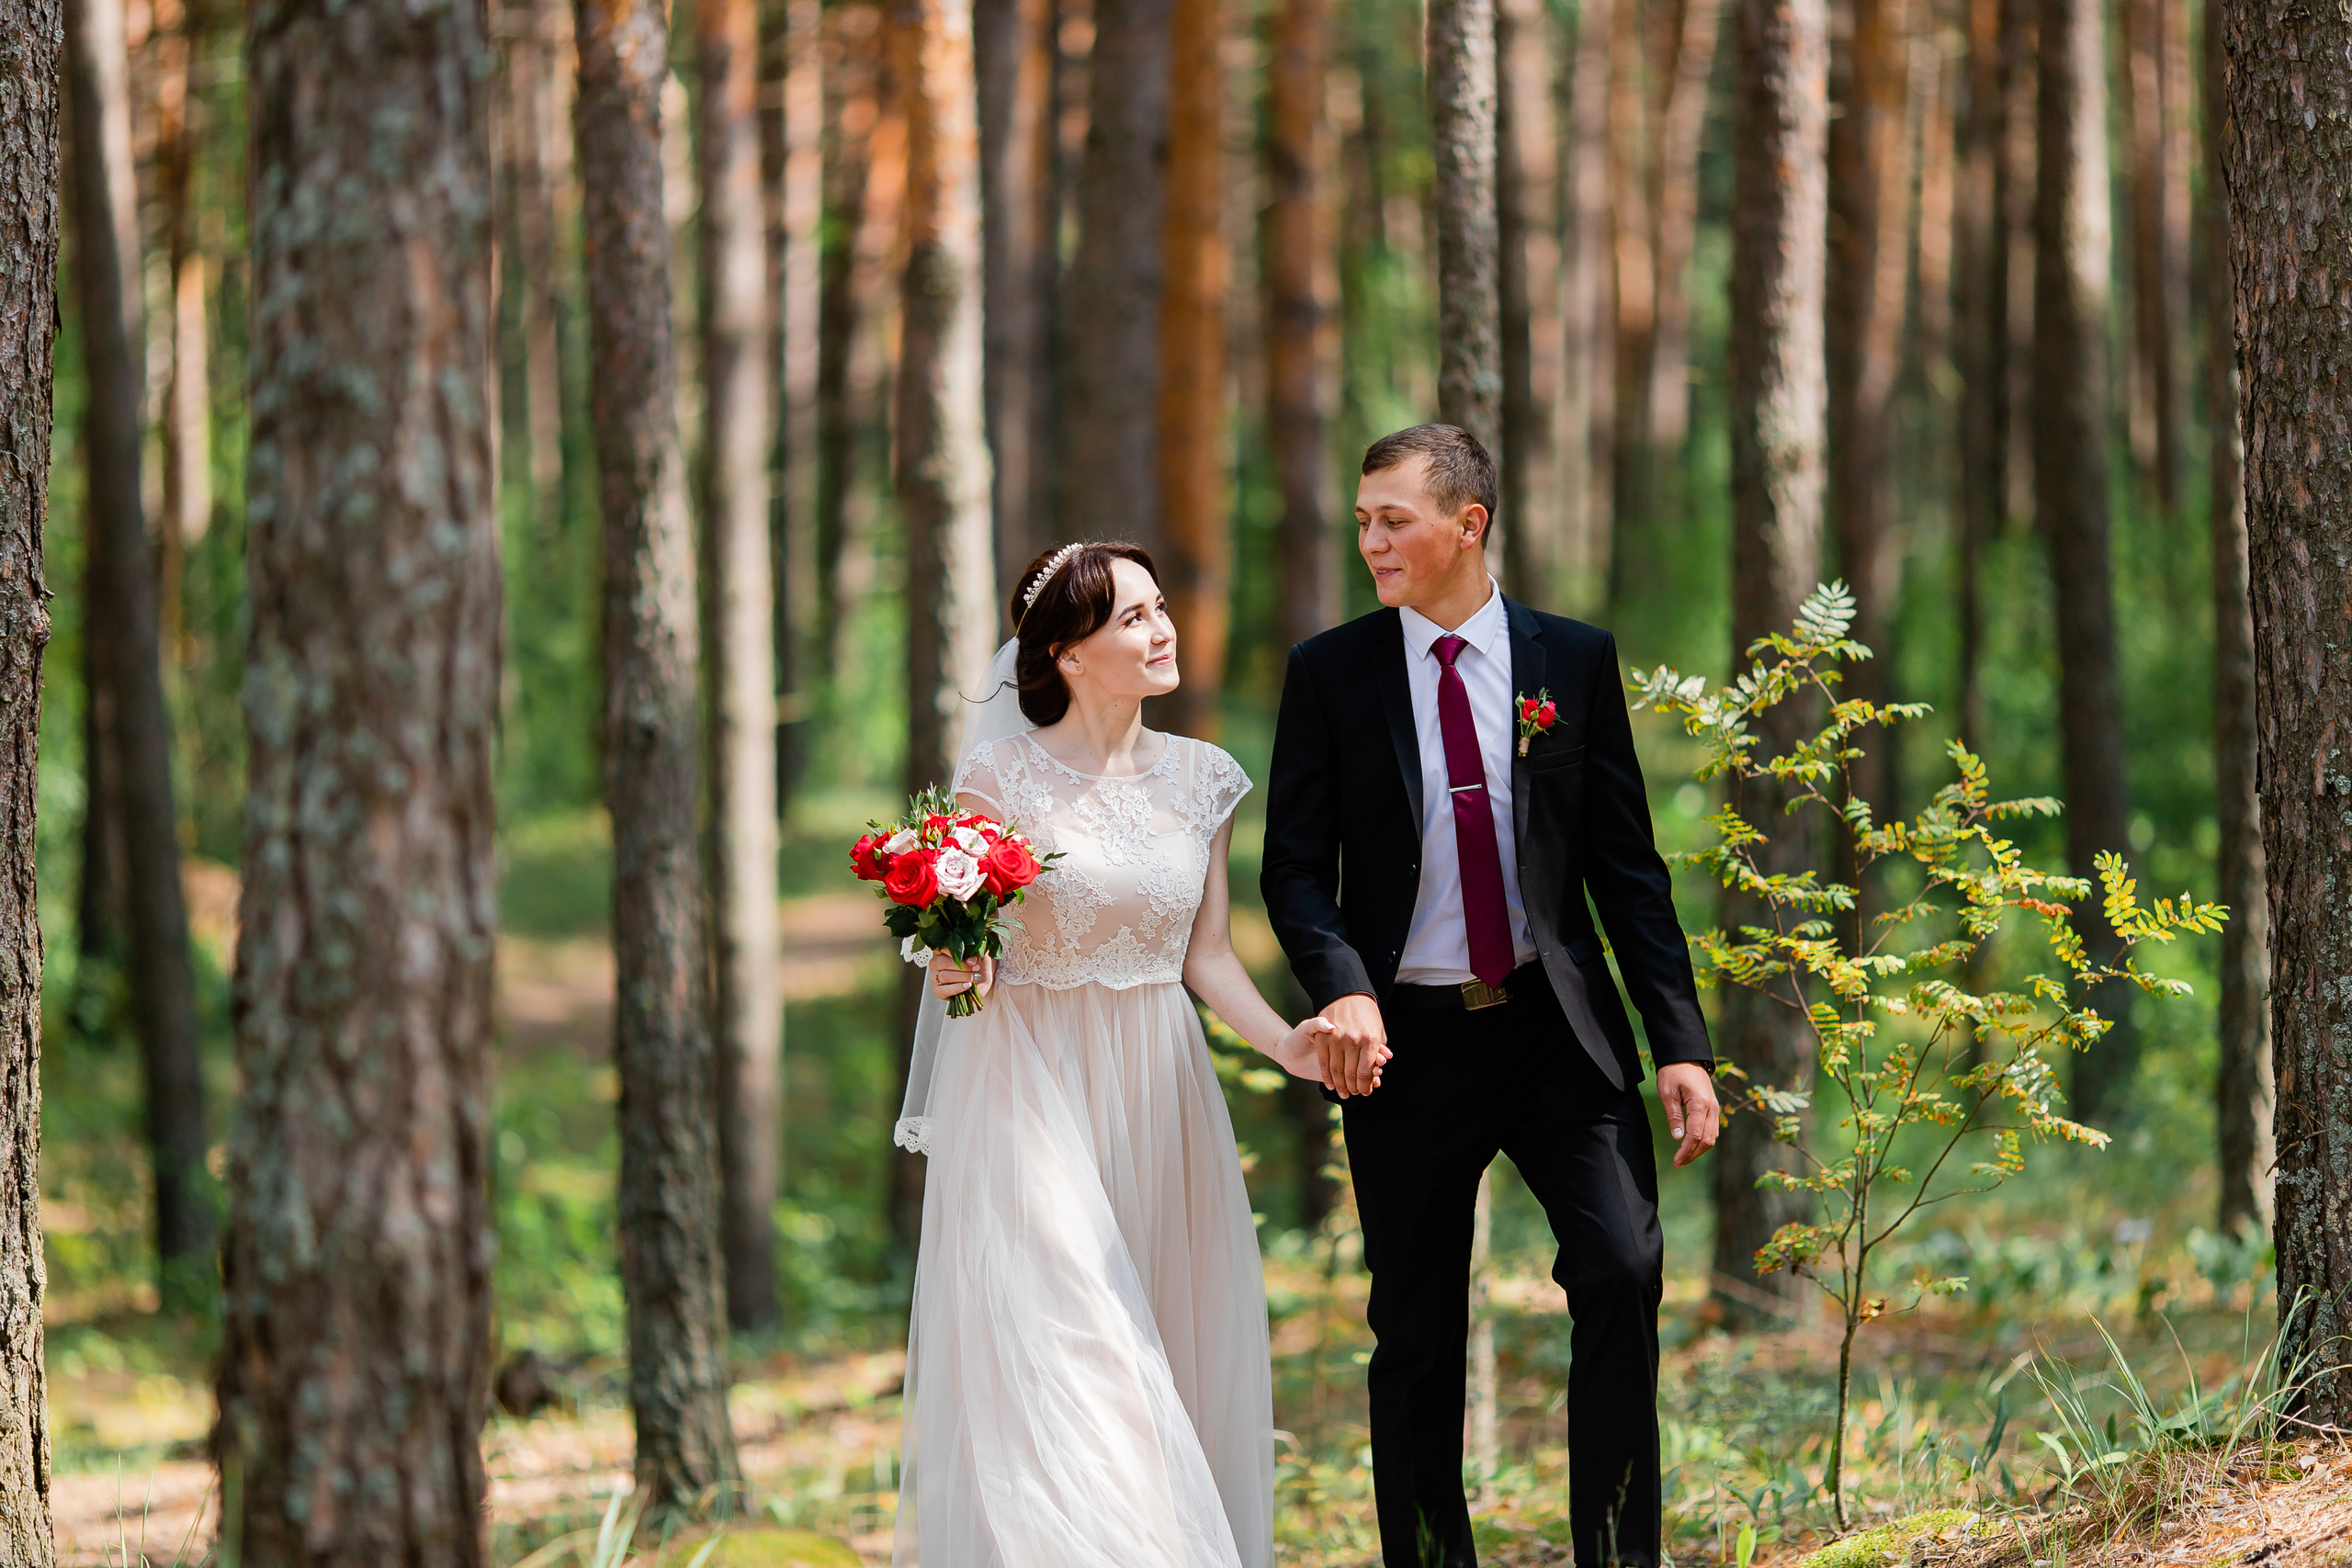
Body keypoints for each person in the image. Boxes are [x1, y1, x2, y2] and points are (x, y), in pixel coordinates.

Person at [1261, 423, 1722, 1568]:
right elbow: (1291, 872)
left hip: (1554, 1032)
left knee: (1621, 1266)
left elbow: (1626, 866)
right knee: (1414, 1333)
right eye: (1363, 520)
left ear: (1467, 524)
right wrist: (1345, 992)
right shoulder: (1329, 672)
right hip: (1405, 1048)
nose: (1370, 541)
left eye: (1393, 520)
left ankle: (1619, 1557)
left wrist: (1680, 1042)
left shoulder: (1571, 659)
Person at [891, 541, 1383, 1568]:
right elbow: (967, 949)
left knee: (1156, 1334)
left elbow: (1206, 954)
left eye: (1159, 610)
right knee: (1074, 1342)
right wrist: (957, 970)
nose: (1160, 632)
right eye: (1129, 618)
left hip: (1160, 1087)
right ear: (1067, 654)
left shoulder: (1203, 778)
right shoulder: (995, 777)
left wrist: (1288, 1042)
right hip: (1027, 1085)